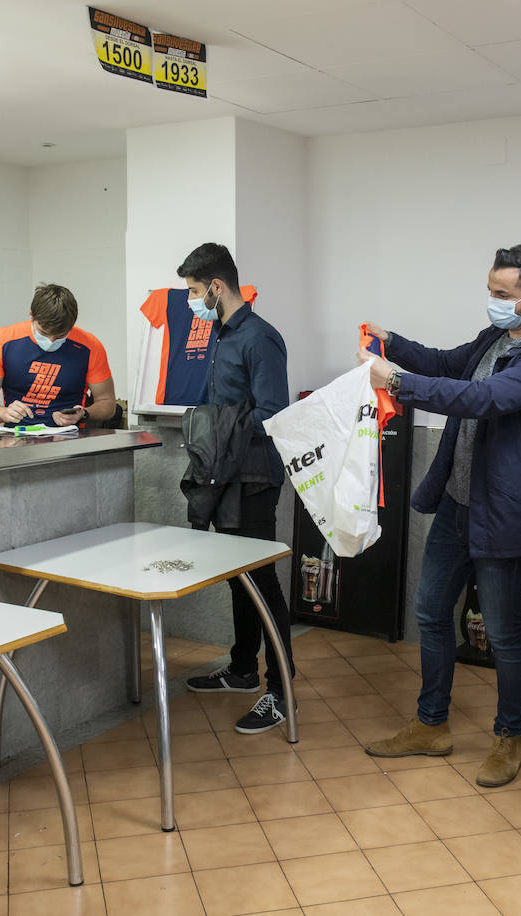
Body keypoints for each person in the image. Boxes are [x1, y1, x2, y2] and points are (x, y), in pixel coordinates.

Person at [356, 244, 521, 787]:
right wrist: (391, 343)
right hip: (458, 504)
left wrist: (396, 383)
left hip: (503, 514)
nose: (493, 302)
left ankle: (509, 736)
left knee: (502, 634)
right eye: (490, 291)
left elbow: (482, 398)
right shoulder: (494, 338)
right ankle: (431, 725)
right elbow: (445, 363)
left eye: (502, 295)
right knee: (430, 610)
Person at [178, 243, 295, 734]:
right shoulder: (222, 335)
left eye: (194, 291)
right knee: (237, 577)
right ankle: (244, 669)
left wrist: (219, 426)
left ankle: (281, 693)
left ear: (217, 287)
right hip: (225, 475)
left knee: (262, 583)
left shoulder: (260, 338)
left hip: (254, 478)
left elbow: (274, 416)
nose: (192, 299)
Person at [0, 284, 116, 427]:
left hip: (70, 440)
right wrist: (2, 412)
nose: (51, 341)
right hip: (16, 436)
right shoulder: (2, 341)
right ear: (31, 315)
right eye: (44, 333)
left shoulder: (90, 346)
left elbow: (107, 403)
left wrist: (83, 414)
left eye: (60, 335)